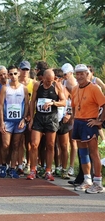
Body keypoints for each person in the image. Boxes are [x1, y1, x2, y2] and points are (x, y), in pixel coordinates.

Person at [27, 69, 66, 180]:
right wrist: (31, 118)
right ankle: (33, 170)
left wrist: (53, 103)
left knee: (50, 145)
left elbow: (63, 102)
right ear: (42, 78)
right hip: (39, 117)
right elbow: (32, 102)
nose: (50, 83)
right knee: (34, 144)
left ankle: (48, 171)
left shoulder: (57, 86)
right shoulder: (37, 85)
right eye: (47, 81)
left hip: (51, 118)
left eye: (51, 80)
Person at [73, 64, 105, 194]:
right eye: (78, 74)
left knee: (94, 152)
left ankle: (98, 182)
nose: (80, 76)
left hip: (89, 122)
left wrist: (100, 121)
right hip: (78, 122)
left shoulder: (94, 88)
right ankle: (87, 180)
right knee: (82, 153)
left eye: (82, 73)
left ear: (87, 74)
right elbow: (74, 105)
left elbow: (104, 104)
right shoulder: (75, 88)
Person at [0, 65, 29, 178]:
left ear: (19, 73)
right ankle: (3, 165)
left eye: (15, 73)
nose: (13, 76)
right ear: (8, 75)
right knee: (5, 145)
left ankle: (12, 168)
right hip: (7, 121)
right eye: (10, 74)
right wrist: (1, 122)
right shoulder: (5, 88)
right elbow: (0, 105)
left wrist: (24, 119)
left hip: (19, 121)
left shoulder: (24, 88)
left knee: (16, 145)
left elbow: (27, 104)